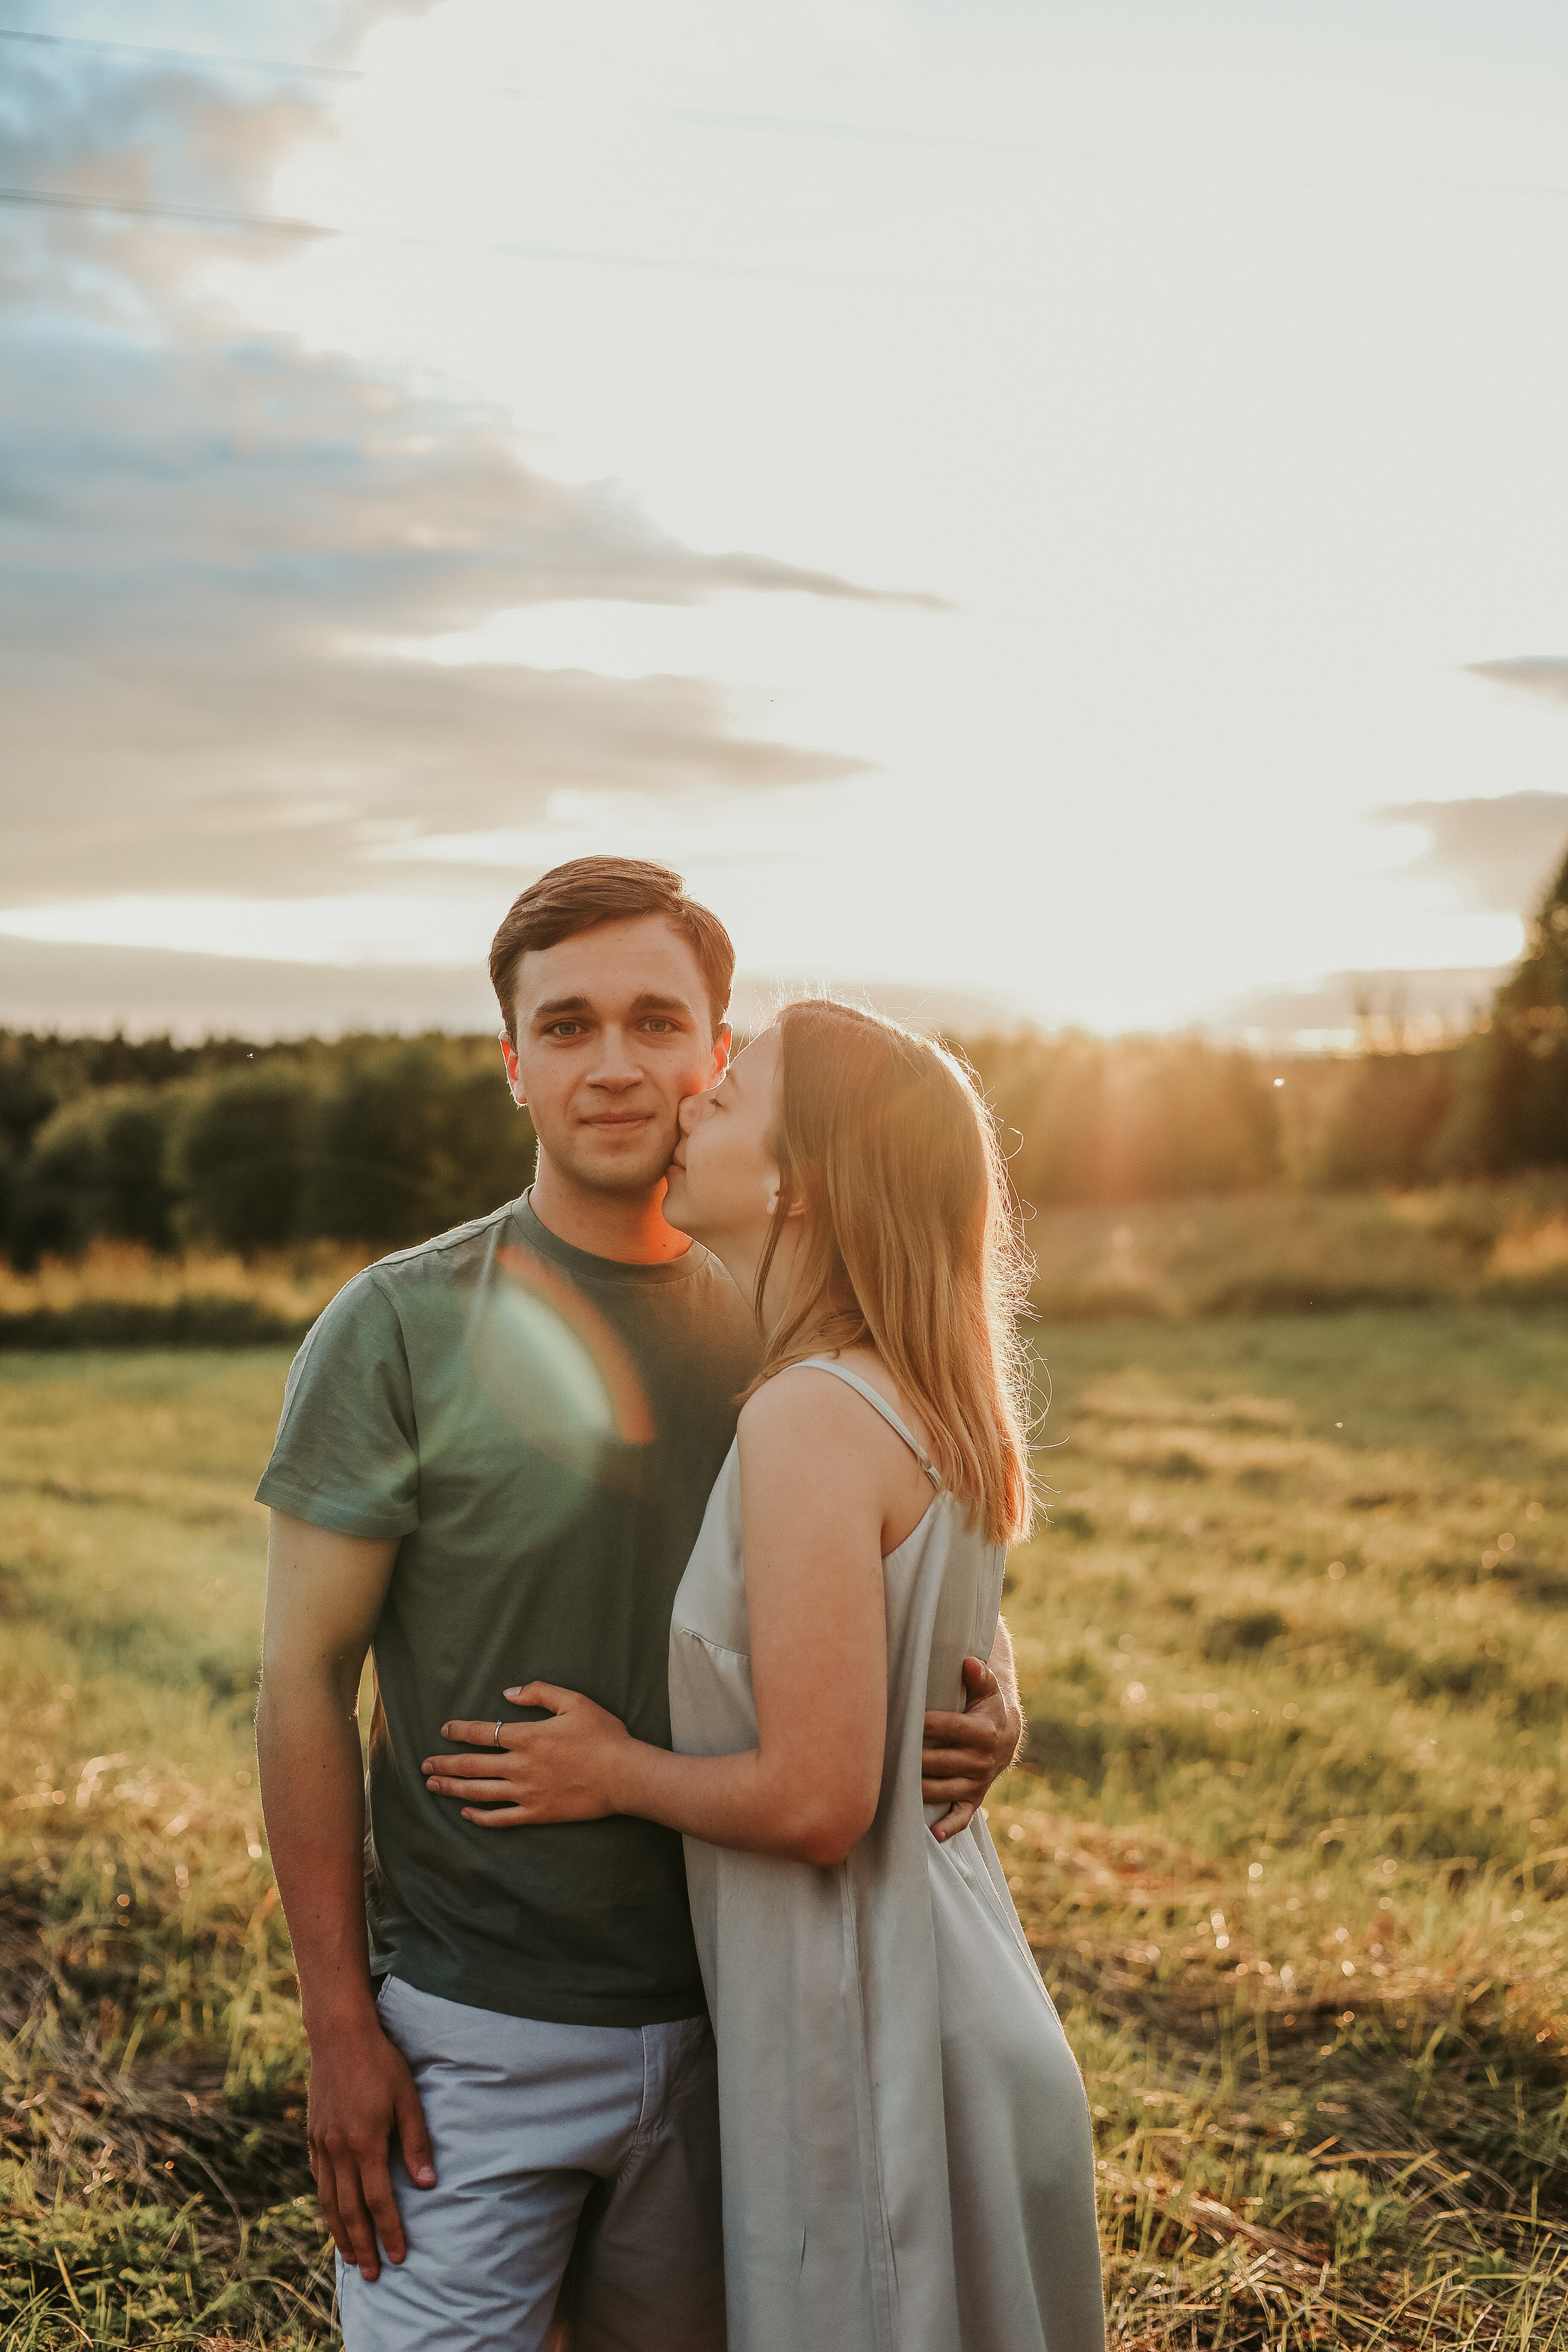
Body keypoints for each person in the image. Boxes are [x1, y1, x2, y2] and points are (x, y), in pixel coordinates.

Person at [254, 859, 1025, 2352]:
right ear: (514, 1066)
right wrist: (340, 2028)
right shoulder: (398, 1325)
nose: (613, 1066)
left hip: (748, 2025)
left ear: (715, 1058)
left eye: (656, 1022)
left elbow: (896, 1564)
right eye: (566, 1027)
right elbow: (299, 1683)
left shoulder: (784, 1322)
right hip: (474, 2033)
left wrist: (992, 1689)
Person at [423, 998, 1106, 2351]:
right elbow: (937, 1645)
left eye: (728, 1096)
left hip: (876, 2040)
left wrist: (605, 1767)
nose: (687, 1103)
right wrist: (999, 1710)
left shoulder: (806, 1415)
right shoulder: (912, 1390)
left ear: (801, 1178)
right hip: (956, 2006)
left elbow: (815, 1804)